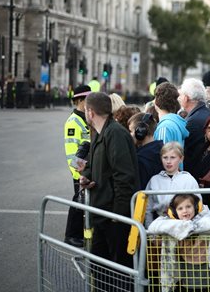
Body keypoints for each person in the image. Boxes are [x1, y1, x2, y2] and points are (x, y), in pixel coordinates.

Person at [79, 92, 139, 282]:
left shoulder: (115, 133)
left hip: (114, 217)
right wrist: (86, 177)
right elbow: (94, 164)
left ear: (90, 112)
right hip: (101, 212)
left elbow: (124, 177)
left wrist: (118, 216)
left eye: (85, 110)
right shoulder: (98, 132)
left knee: (118, 273)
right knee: (100, 268)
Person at [145, 142, 199, 227]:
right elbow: (147, 209)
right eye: (165, 157)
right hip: (161, 226)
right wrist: (150, 230)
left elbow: (198, 207)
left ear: (181, 159)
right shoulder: (154, 180)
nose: (168, 161)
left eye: (173, 157)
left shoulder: (189, 180)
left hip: (185, 226)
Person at [63, 84, 91, 247]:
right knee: (78, 204)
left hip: (85, 169)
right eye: (88, 99)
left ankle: (78, 234)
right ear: (80, 100)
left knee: (82, 204)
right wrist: (78, 171)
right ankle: (71, 235)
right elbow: (72, 152)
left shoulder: (84, 118)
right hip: (79, 171)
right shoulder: (73, 122)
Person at [127, 112, 164, 190]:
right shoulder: (162, 149)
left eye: (131, 131)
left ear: (140, 132)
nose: (129, 134)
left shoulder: (141, 158)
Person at [179, 78, 210, 163]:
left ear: (186, 98)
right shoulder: (207, 113)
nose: (179, 98)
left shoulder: (193, 121)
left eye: (181, 95)